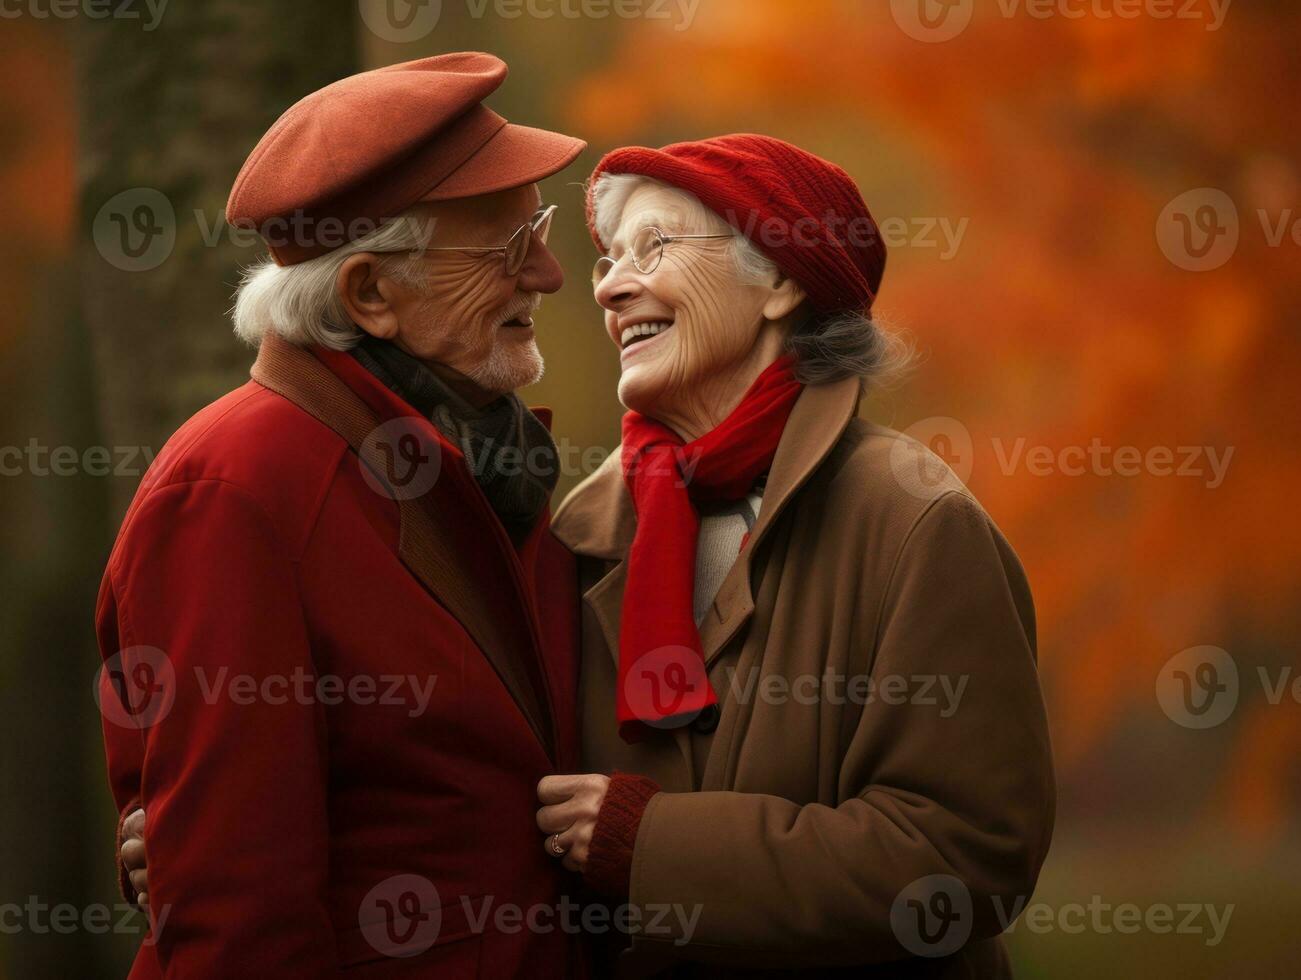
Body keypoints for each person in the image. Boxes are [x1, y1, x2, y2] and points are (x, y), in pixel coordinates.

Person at [96, 52, 589, 978]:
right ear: (370, 294)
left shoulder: (479, 456)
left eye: (541, 230)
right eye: (504, 249)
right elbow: (236, 913)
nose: (551, 275)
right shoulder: (235, 491)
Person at [536, 135, 1056, 977]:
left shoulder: (915, 521)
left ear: (779, 279)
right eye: (607, 261)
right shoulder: (578, 534)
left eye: (654, 247)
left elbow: (965, 856)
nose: (610, 285)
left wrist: (654, 847)